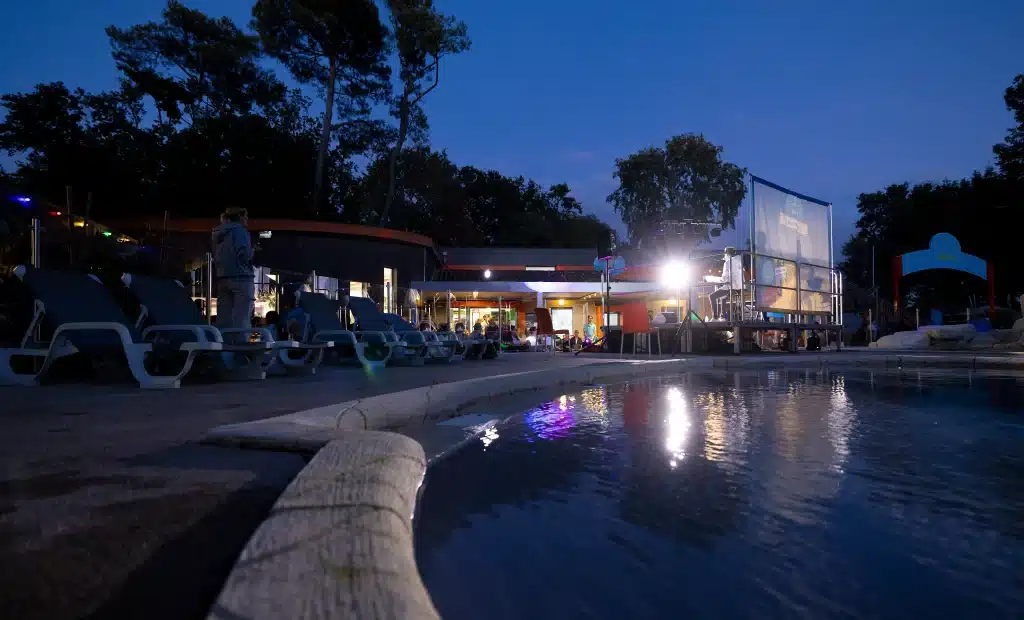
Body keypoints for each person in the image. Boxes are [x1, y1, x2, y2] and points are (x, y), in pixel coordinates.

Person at [212, 207, 256, 330]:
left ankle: (224, 346)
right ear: (241, 217)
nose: (247, 220)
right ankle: (240, 347)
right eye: (246, 216)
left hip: (223, 277)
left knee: (224, 319)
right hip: (242, 278)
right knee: (242, 318)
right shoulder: (240, 231)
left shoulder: (217, 233)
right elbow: (244, 255)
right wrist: (253, 252)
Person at [709, 250, 743, 320]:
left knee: (712, 296)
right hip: (740, 287)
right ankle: (722, 315)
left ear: (727, 255)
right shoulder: (739, 261)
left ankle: (715, 317)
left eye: (725, 255)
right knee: (723, 295)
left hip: (732, 287)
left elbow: (723, 280)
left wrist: (710, 279)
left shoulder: (727, 263)